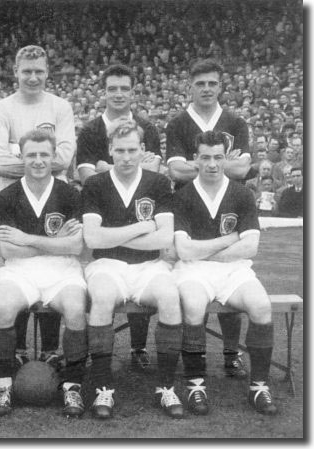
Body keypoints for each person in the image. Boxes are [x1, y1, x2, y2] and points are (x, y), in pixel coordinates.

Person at [81, 121, 183, 419]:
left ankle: (166, 387)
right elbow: (92, 239)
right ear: (110, 150)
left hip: (150, 265)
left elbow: (164, 238)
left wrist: (114, 233)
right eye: (120, 150)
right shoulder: (95, 184)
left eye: (132, 150)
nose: (126, 156)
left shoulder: (158, 183)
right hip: (106, 264)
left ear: (143, 151)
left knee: (169, 297)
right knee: (100, 299)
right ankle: (103, 388)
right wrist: (140, 227)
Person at [173, 130, 278, 416]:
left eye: (218, 157)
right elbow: (184, 251)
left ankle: (259, 386)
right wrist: (230, 240)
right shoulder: (182, 196)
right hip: (193, 271)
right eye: (205, 157)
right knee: (194, 306)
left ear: (226, 158)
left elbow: (251, 247)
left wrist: (204, 249)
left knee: (261, 306)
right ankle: (196, 384)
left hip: (233, 270)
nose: (212, 164)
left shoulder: (242, 193)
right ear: (196, 159)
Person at [0, 45, 75, 368]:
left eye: (39, 71)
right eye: (26, 71)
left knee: (52, 262)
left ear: (47, 72)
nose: (33, 77)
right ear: (16, 72)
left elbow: (64, 157)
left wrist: (20, 152)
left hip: (52, 195)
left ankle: (50, 347)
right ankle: (19, 348)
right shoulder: (2, 109)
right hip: (11, 197)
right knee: (16, 267)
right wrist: (39, 159)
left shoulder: (60, 107)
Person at [0, 129, 88, 417]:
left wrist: (27, 238)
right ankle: (2, 386)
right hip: (19, 271)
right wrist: (55, 244)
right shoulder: (6, 195)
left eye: (44, 154)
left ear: (54, 157)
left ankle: (73, 386)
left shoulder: (69, 193)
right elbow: (8, 251)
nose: (38, 160)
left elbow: (76, 246)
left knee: (74, 310)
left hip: (63, 271)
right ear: (21, 156)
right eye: (31, 154)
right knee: (4, 308)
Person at [165, 59, 251, 379]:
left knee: (231, 277)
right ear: (190, 86)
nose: (206, 89)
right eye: (200, 83)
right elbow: (175, 171)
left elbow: (243, 170)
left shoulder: (235, 122)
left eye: (212, 83)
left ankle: (231, 355)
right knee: (193, 285)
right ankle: (194, 357)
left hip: (227, 203)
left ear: (220, 86)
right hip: (190, 207)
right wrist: (220, 163)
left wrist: (198, 164)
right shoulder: (178, 123)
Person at [76, 63, 163, 371]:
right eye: (112, 88)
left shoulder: (147, 127)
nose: (118, 94)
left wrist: (107, 165)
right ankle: (100, 356)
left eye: (124, 88)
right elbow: (87, 175)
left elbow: (153, 173)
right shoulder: (90, 130)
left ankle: (138, 347)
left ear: (133, 91)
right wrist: (114, 170)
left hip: (141, 205)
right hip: (105, 208)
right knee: (109, 280)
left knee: (144, 268)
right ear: (104, 91)